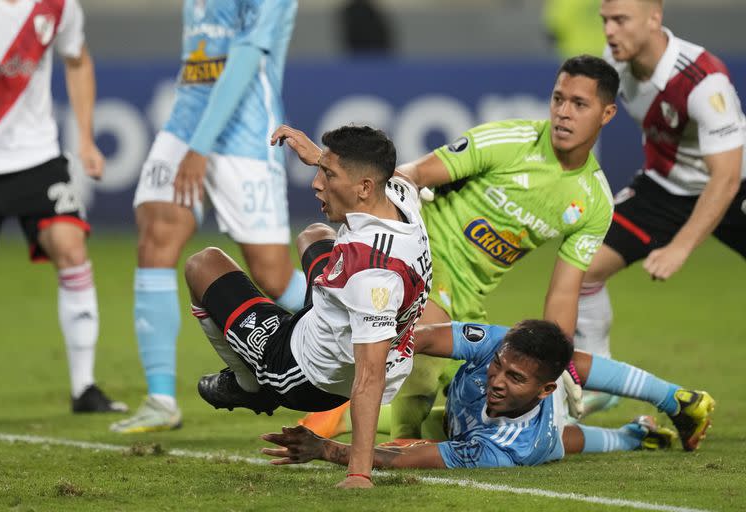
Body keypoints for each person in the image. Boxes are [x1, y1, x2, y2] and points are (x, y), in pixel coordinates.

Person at [302, 54, 619, 441]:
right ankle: (401, 440)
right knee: (420, 343)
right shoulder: (511, 142)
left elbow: (564, 292)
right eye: (558, 99)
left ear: (607, 114)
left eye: (579, 104)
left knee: (481, 419)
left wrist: (554, 360)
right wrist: (398, 210)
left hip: (470, 295)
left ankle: (345, 417)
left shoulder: (595, 201)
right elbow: (415, 172)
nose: (563, 113)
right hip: (426, 258)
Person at [185, 124, 432, 489]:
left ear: (363, 188)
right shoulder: (399, 195)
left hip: (309, 372)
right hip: (340, 324)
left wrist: (359, 473)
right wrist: (320, 155)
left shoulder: (373, 275)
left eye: (327, 174)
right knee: (314, 235)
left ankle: (249, 382)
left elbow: (369, 377)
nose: (317, 183)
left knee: (201, 265)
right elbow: (393, 174)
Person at [111, 0, 304, 433]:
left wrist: (201, 145)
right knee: (156, 233)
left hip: (247, 131)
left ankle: (366, 341)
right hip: (186, 119)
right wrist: (191, 136)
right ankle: (162, 398)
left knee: (273, 276)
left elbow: (248, 55)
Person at [575, 0, 746, 414]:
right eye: (605, 21)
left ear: (655, 18)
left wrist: (681, 246)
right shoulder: (612, 68)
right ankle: (603, 378)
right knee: (583, 267)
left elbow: (724, 177)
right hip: (664, 188)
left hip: (733, 186)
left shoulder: (703, 80)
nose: (609, 31)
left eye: (620, 21)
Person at [261, 319, 715, 473]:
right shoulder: (501, 343)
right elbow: (423, 338)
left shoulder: (507, 449)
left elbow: (402, 461)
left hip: (520, 434)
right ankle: (668, 403)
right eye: (498, 366)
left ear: (544, 389)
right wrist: (369, 338)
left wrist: (325, 451)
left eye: (513, 378)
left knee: (566, 441)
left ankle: (636, 435)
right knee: (421, 371)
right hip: (467, 413)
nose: (497, 379)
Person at [0, 0, 126, 413]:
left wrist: (85, 138)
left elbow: (77, 61)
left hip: (36, 158)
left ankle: (84, 388)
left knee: (70, 246)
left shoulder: (58, 7)